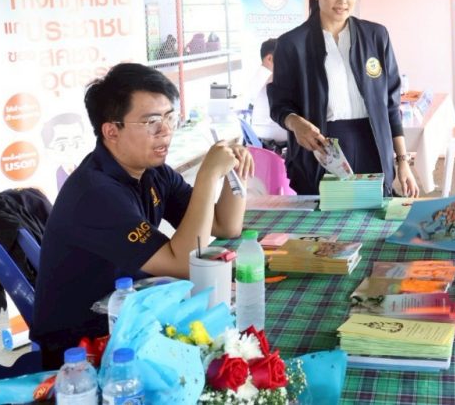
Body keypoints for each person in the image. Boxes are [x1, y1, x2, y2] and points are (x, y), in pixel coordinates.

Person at [31, 63, 252, 368]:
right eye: (151, 122)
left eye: (169, 118)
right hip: (83, 348)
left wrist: (236, 173)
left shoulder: (153, 173)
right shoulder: (95, 193)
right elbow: (182, 263)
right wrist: (207, 176)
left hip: (132, 319)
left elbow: (225, 225)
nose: (165, 131)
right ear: (111, 131)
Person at [268, 0, 419, 198]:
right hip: (320, 151)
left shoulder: (376, 36)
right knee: (326, 219)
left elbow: (391, 105)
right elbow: (279, 104)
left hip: (373, 146)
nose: (343, 1)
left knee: (373, 215)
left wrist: (402, 161)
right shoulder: (292, 44)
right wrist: (296, 124)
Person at [245, 38, 287, 145]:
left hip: (259, 137)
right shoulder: (271, 78)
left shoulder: (258, 76)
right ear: (269, 58)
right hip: (273, 138)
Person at [41, 112, 89, 192]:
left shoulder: (88, 171)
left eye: (76, 143)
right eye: (62, 146)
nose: (71, 150)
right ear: (48, 150)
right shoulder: (47, 180)